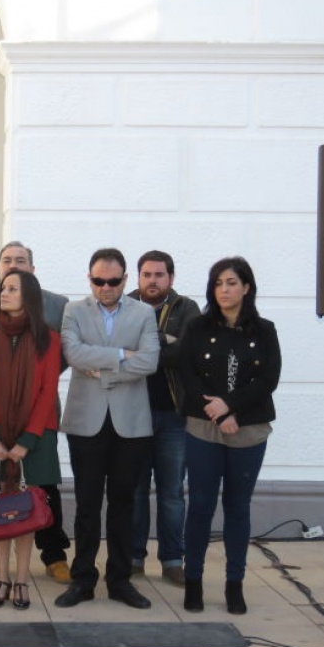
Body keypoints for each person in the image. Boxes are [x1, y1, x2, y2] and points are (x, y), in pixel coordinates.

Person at [0, 241, 73, 585]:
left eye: (21, 261)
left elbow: (56, 365)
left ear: (32, 270)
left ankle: (53, 555)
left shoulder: (56, 306)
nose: (14, 265)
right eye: (7, 261)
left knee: (43, 490)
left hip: (35, 418)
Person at [54, 247, 160, 611]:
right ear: (90, 279)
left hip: (130, 424)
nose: (106, 287)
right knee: (86, 504)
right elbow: (73, 354)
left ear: (125, 280)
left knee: (124, 504)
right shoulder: (73, 310)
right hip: (87, 422)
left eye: (113, 281)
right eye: (99, 281)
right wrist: (120, 356)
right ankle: (82, 579)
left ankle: (120, 581)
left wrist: (99, 368)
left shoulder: (144, 312)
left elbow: (149, 361)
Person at [177, 256, 281, 615]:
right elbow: (187, 374)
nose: (225, 289)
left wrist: (231, 408)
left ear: (246, 287)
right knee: (201, 505)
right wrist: (217, 412)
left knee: (238, 507)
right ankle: (193, 582)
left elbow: (268, 380)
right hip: (203, 427)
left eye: (232, 282)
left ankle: (234, 583)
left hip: (248, 429)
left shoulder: (264, 330)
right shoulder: (197, 327)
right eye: (219, 283)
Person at [125, 250, 201, 586]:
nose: (152, 281)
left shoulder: (187, 309)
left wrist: (149, 346)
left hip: (174, 416)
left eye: (159, 275)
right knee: (135, 491)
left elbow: (190, 353)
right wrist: (165, 342)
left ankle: (172, 560)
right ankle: (133, 559)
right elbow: (119, 349)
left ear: (171, 278)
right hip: (133, 414)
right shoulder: (124, 305)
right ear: (138, 277)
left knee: (171, 493)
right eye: (147, 274)